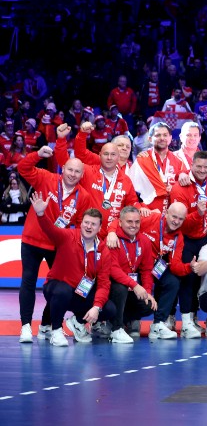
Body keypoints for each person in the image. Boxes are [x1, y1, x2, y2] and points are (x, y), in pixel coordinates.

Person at [17, 146, 91, 343]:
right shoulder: (45, 178)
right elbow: (22, 168)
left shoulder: (83, 196)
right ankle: (25, 327)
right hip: (32, 240)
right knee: (28, 281)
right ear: (62, 168)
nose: (73, 174)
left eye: (77, 171)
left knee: (59, 286)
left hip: (57, 246)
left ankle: (46, 326)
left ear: (82, 175)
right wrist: (37, 155)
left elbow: (79, 225)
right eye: (70, 169)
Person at [30, 193, 116, 346]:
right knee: (62, 290)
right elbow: (50, 230)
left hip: (80, 293)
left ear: (99, 228)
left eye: (93, 224)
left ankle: (77, 321)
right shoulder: (68, 236)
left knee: (108, 308)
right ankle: (56, 330)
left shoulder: (103, 251)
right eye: (86, 222)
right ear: (81, 223)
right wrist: (41, 214)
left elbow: (104, 283)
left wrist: (96, 307)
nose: (89, 227)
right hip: (56, 288)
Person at [54, 122, 139, 238]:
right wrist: (62, 139)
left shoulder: (131, 173)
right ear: (100, 155)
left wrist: (143, 209)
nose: (109, 157)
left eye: (127, 146)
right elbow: (68, 162)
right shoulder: (90, 171)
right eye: (120, 146)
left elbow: (132, 205)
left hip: (113, 234)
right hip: (87, 231)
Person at [169, 151, 207, 338]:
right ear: (192, 166)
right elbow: (178, 222)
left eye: (206, 167)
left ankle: (193, 318)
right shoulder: (180, 187)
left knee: (197, 280)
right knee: (186, 279)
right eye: (199, 167)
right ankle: (184, 322)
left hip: (203, 237)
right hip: (184, 239)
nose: (202, 170)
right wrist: (199, 214)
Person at [106, 206, 157, 343]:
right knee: (120, 288)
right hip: (113, 286)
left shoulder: (144, 241)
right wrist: (134, 285)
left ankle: (125, 320)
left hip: (131, 286)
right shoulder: (113, 240)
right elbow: (113, 270)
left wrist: (146, 291)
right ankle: (116, 328)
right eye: (129, 222)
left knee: (148, 305)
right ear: (120, 222)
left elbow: (146, 269)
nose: (133, 225)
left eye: (137, 222)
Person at [130, 122, 184, 213]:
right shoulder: (142, 160)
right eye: (158, 135)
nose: (162, 138)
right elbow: (130, 190)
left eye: (165, 135)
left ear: (170, 138)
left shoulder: (179, 161)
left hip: (172, 215)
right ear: (150, 139)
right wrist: (140, 207)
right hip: (148, 214)